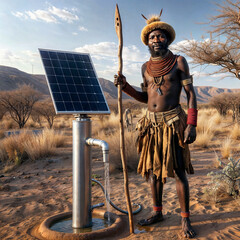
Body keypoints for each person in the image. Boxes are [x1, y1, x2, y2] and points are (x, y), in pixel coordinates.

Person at [114, 11, 197, 239]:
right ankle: (158, 213)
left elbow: (190, 94)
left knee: (179, 172)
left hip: (173, 123)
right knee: (153, 171)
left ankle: (185, 218)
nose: (156, 40)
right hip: (151, 126)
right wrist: (126, 87)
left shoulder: (179, 61)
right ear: (147, 42)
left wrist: (191, 124)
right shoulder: (145, 67)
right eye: (152, 38)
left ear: (167, 39)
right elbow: (146, 98)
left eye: (160, 36)